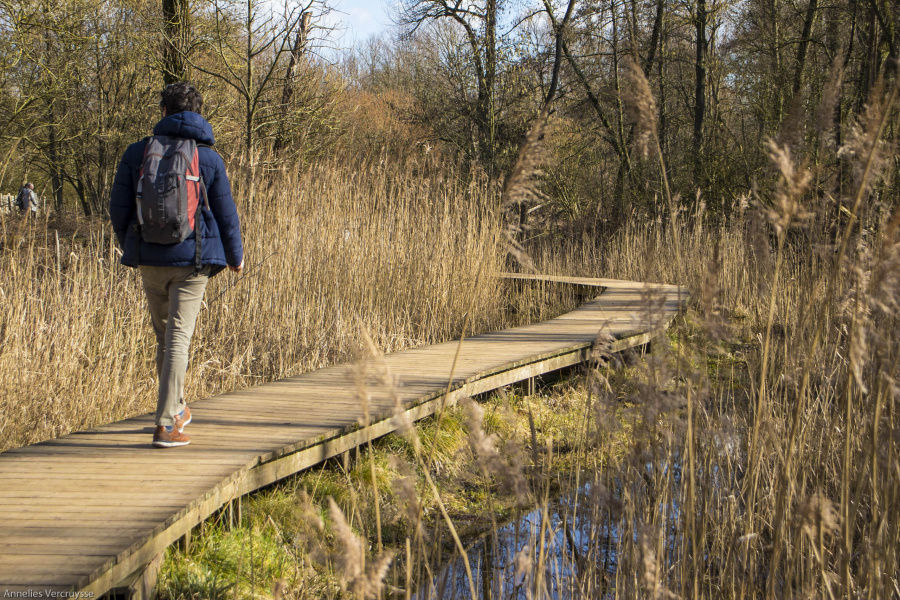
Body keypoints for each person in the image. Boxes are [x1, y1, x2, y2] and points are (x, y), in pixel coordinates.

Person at [110, 82, 244, 448]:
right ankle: (167, 424)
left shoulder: (137, 153)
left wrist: (133, 247)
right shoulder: (209, 158)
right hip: (192, 260)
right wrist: (235, 256)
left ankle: (178, 408)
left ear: (164, 110)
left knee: (165, 337)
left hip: (149, 259)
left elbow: (118, 209)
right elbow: (226, 214)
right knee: (177, 339)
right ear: (198, 113)